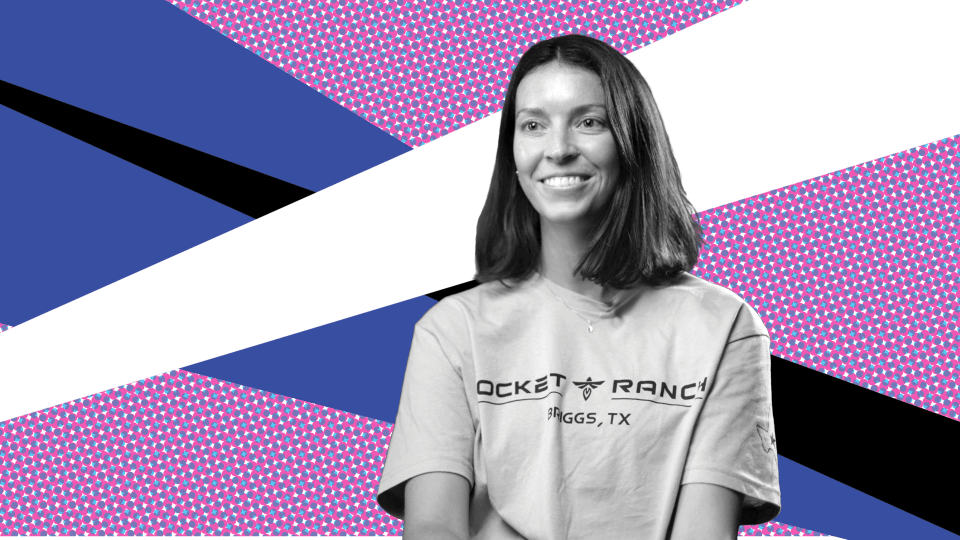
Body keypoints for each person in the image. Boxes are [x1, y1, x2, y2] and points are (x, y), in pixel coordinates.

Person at [376, 34, 780, 540]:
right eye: (533, 125)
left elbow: (703, 532)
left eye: (589, 122)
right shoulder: (452, 330)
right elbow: (434, 527)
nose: (559, 149)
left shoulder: (723, 327)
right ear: (514, 153)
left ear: (634, 141)